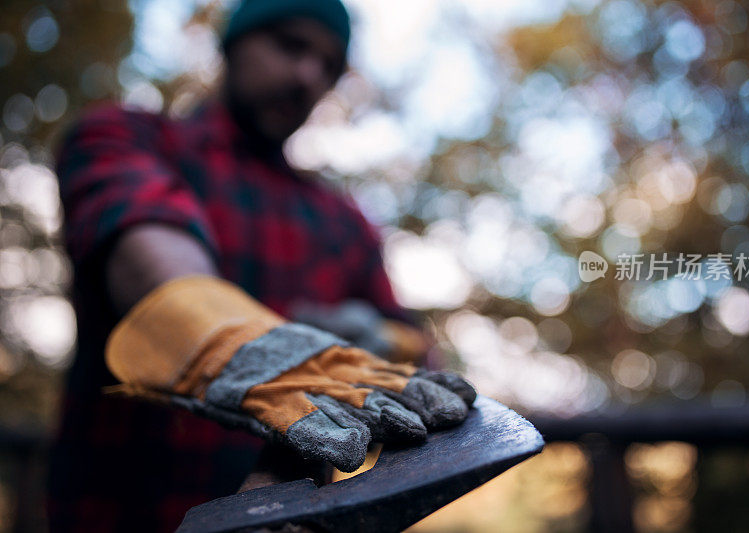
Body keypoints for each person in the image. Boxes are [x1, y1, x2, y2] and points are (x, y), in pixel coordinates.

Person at [45, 0, 475, 531]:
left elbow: (416, 353)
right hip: (118, 511)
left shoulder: (343, 222)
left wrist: (374, 339)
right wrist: (222, 335)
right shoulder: (124, 137)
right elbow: (146, 235)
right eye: (290, 46)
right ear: (232, 43)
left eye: (328, 66)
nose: (307, 76)